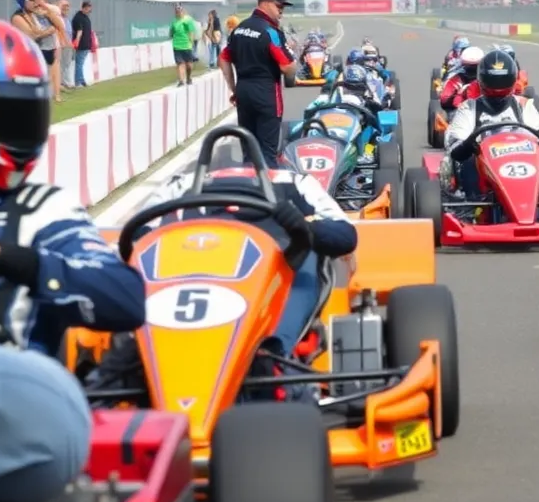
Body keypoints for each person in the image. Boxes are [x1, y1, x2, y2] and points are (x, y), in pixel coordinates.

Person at [0, 16, 146, 502]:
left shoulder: (41, 208)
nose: (14, 130)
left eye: (23, 114)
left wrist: (17, 262)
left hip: (32, 422)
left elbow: (125, 298)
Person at [110, 163, 357, 394]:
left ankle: (275, 355)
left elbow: (345, 235)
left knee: (311, 253)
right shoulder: (180, 185)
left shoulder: (296, 183)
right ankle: (145, 353)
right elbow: (137, 239)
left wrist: (303, 229)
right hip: (191, 271)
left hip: (270, 281)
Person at [441, 50, 539, 202]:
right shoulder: (470, 108)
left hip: (519, 159)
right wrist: (467, 145)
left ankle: (537, 201)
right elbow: (455, 145)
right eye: (494, 81)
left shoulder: (523, 105)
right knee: (467, 160)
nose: (498, 86)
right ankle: (473, 206)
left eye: (502, 81)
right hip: (482, 174)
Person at [219, 0, 298, 167]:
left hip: (243, 92)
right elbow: (287, 67)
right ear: (266, 3)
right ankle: (268, 192)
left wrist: (233, 88)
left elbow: (223, 59)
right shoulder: (271, 31)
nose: (281, 11)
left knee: (249, 151)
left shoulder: (239, 29)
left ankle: (247, 188)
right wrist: (293, 70)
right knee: (268, 153)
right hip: (266, 93)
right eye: (279, 6)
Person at [10, 0, 65, 106]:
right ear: (23, 2)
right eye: (31, 1)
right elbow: (31, 35)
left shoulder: (36, 14)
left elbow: (60, 25)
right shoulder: (18, 17)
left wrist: (49, 14)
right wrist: (48, 31)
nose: (34, 3)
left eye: (35, 0)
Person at [439, 46, 484, 112]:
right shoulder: (457, 79)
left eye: (475, 67)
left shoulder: (487, 79)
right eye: (469, 67)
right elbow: (444, 99)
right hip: (462, 113)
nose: (472, 70)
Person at [169, 4, 200, 87]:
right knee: (180, 63)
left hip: (187, 45)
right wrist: (171, 35)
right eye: (176, 12)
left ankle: (189, 77)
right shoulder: (174, 21)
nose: (178, 13)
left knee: (189, 65)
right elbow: (171, 32)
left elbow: (191, 32)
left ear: (182, 12)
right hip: (177, 45)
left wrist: (191, 41)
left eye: (179, 11)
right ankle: (181, 81)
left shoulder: (188, 20)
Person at [71, 0, 94, 88]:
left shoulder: (85, 17)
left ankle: (81, 80)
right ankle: (79, 82)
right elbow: (79, 31)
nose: (89, 10)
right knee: (79, 64)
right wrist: (77, 41)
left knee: (80, 63)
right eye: (88, 8)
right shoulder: (79, 17)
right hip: (82, 44)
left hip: (86, 43)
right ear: (84, 8)